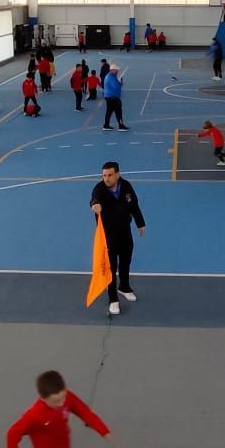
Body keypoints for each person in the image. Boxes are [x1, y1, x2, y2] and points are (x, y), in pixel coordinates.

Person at [90, 161, 145, 316]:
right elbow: (94, 199)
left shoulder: (126, 186)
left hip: (125, 232)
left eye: (109, 175)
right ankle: (113, 299)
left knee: (126, 261)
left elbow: (134, 205)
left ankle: (124, 287)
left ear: (117, 175)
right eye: (104, 175)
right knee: (111, 268)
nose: (106, 179)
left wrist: (140, 223)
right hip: (108, 237)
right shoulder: (99, 189)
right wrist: (95, 205)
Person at [101, 63, 127, 130]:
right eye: (116, 70)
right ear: (112, 70)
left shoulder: (109, 76)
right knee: (118, 111)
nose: (117, 71)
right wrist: (120, 84)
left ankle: (106, 125)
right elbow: (115, 87)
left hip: (109, 96)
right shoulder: (111, 77)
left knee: (109, 112)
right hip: (113, 98)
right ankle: (121, 126)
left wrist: (119, 83)